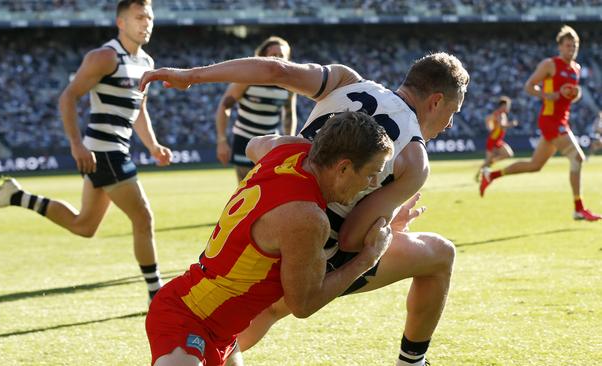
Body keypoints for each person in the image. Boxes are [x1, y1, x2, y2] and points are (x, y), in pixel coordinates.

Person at [139, 51, 466, 366]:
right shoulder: (414, 158)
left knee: (244, 310)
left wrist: (191, 75)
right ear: (436, 101)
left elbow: (275, 73)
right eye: (453, 112)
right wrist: (387, 226)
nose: (449, 124)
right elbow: (353, 238)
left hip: (266, 226)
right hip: (312, 252)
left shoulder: (345, 82)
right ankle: (412, 362)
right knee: (440, 255)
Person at [145, 112, 397, 366]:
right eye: (370, 173)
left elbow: (253, 144)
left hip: (220, 330)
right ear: (342, 167)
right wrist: (368, 258)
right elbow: (303, 304)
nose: (373, 183)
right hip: (185, 317)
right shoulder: (306, 218)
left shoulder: (287, 151)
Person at [0, 0, 172, 301]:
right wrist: (76, 144)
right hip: (104, 150)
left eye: (149, 17)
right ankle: (156, 293)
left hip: (115, 149)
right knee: (143, 218)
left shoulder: (146, 63)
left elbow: (139, 110)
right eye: (139, 17)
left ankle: (16, 196)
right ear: (121, 23)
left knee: (84, 226)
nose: (146, 23)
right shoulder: (104, 57)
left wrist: (153, 146)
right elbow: (68, 98)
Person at [479, 25, 601, 221]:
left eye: (575, 46)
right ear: (560, 47)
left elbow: (568, 96)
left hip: (562, 120)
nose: (572, 49)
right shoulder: (550, 64)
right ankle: (579, 208)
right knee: (577, 158)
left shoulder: (576, 69)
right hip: (550, 120)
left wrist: (576, 95)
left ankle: (491, 176)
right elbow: (529, 86)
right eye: (568, 45)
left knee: (534, 165)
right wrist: (546, 94)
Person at [215, 36, 297, 182]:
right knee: (247, 188)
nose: (278, 59)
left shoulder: (289, 85)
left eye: (281, 56)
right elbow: (224, 106)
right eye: (273, 55)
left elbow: (289, 114)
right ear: (263, 57)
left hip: (271, 142)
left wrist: (287, 142)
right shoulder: (248, 78)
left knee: (271, 188)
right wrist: (222, 140)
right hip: (244, 140)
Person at [475, 96, 518, 181]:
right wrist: (511, 124)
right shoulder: (500, 114)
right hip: (493, 140)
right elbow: (501, 125)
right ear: (503, 106)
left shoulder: (500, 114)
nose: (508, 107)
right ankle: (478, 175)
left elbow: (488, 118)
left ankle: (490, 163)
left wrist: (489, 126)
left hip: (498, 140)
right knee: (488, 160)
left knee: (508, 154)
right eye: (507, 106)